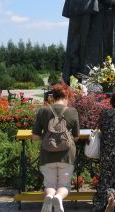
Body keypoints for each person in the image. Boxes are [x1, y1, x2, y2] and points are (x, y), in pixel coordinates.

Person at [32, 83, 80, 212]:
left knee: (49, 183)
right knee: (64, 184)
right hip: (67, 156)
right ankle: (59, 197)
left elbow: (35, 137)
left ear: (53, 97)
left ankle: (49, 196)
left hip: (47, 155)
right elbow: (76, 137)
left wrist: (48, 137)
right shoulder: (72, 112)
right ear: (66, 96)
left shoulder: (43, 111)